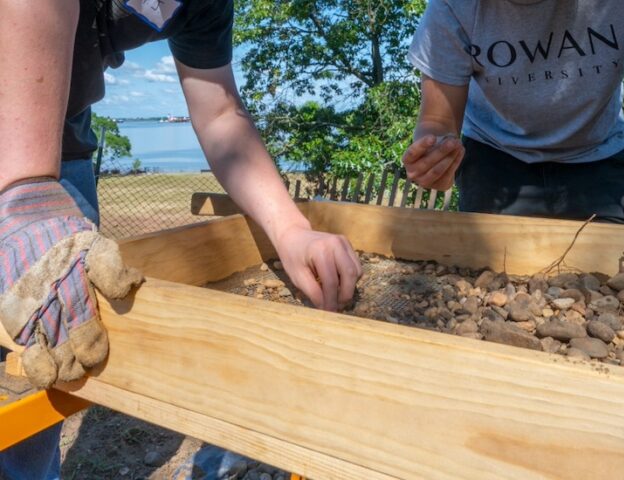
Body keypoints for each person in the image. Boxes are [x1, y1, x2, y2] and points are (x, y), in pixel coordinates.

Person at [0, 1, 362, 478]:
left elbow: (219, 114)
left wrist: (291, 230)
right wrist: (28, 191)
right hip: (27, 148)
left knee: (41, 376)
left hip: (61, 141)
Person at [402, 0, 624, 223]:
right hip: (496, 159)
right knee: (487, 265)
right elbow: (437, 120)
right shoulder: (453, 6)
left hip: (601, 153)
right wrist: (435, 159)